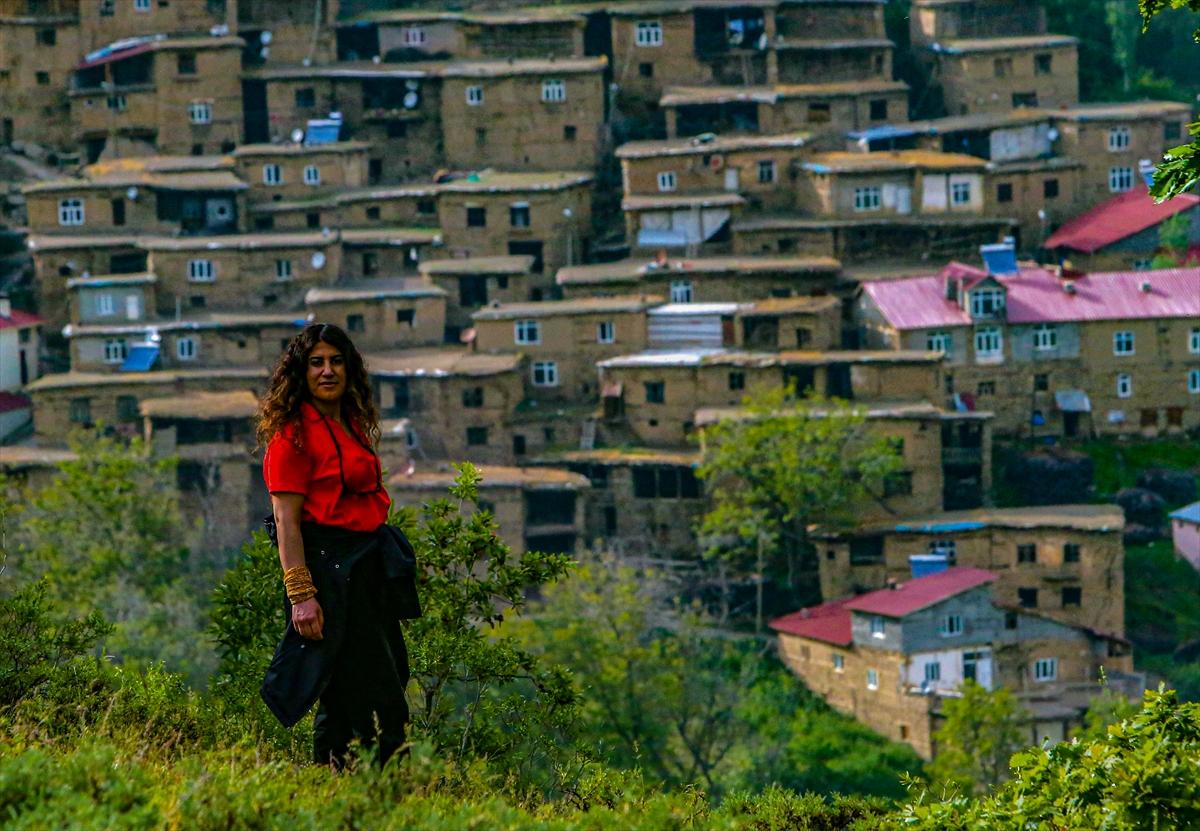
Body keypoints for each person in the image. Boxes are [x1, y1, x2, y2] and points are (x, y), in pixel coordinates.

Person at [255, 322, 419, 768]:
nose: (327, 371)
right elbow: (287, 524)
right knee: (371, 694)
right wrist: (301, 596)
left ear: (349, 369)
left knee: (370, 682)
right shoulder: (292, 437)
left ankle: (338, 785)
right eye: (316, 363)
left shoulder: (350, 424)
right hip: (329, 576)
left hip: (367, 570)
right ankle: (376, 781)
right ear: (300, 372)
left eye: (336, 361)